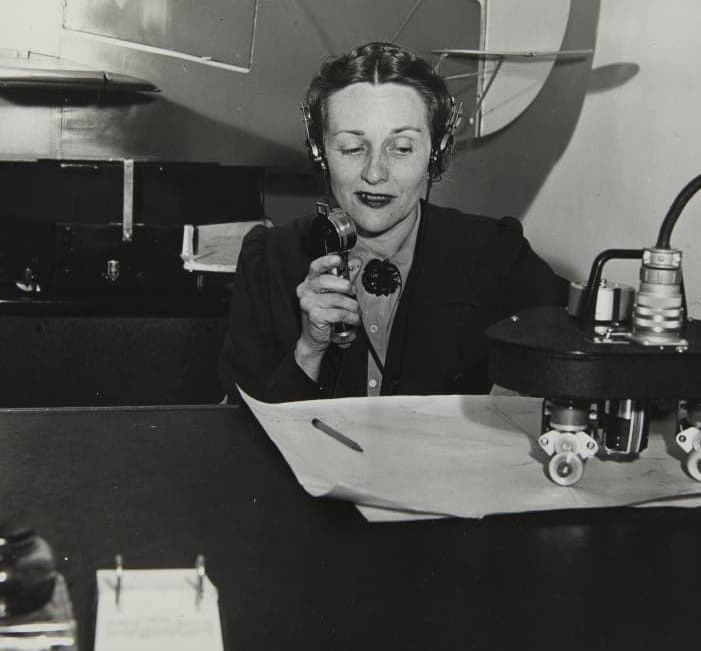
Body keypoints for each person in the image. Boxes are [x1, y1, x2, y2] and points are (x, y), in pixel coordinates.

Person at [218, 41, 567, 403]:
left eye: (401, 148)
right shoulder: (269, 259)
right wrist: (309, 349)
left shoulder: (499, 255)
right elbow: (238, 430)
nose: (374, 173)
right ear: (319, 152)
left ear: (438, 150)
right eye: (353, 148)